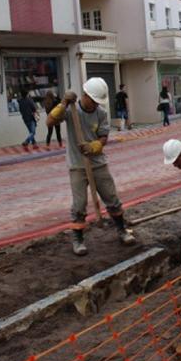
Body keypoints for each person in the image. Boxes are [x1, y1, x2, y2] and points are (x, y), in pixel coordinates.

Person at [46, 77, 136, 255]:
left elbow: (103, 137)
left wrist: (94, 146)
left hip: (98, 164)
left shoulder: (101, 113)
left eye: (98, 102)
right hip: (77, 166)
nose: (95, 105)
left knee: (112, 198)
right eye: (93, 101)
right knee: (79, 205)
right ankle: (78, 239)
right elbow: (50, 122)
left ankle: (122, 230)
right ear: (85, 95)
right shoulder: (72, 111)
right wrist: (63, 102)